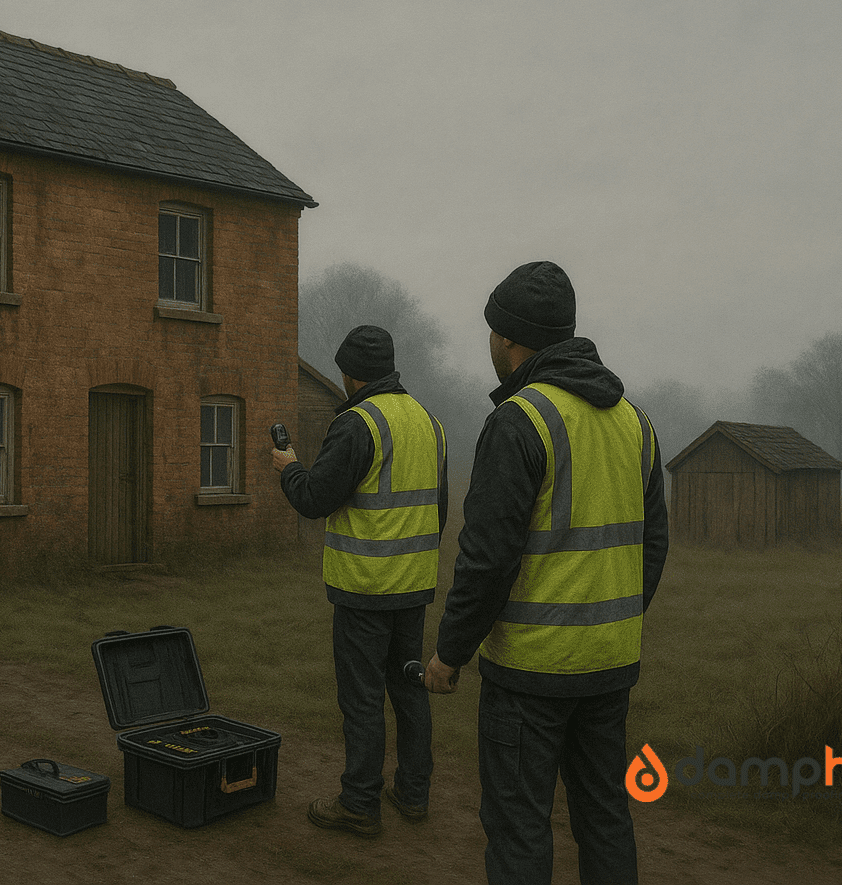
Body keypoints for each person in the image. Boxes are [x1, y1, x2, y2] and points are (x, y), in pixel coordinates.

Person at [423, 261, 669, 884]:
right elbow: (654, 542)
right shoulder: (634, 422)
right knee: (606, 813)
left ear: (508, 339)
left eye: (491, 333)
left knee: (519, 824)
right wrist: (613, 620)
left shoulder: (519, 421)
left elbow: (485, 561)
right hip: (611, 664)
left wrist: (450, 654)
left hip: (530, 674)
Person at [272, 324, 448, 837]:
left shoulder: (357, 424)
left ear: (349, 374)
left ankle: (359, 803)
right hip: (414, 587)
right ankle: (413, 794)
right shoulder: (429, 422)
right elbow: (437, 510)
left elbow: (313, 499)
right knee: (410, 690)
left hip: (366, 588)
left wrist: (288, 467)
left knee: (363, 697)